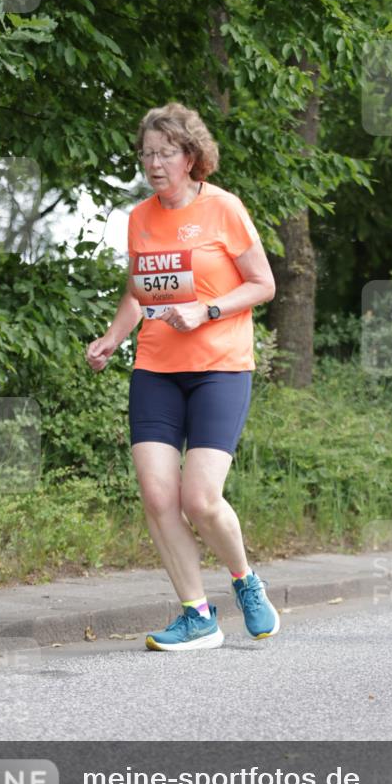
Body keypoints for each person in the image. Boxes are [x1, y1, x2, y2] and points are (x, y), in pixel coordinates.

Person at [85, 102, 280, 651]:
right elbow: (138, 289)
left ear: (190, 156)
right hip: (155, 368)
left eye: (165, 152)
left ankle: (244, 579)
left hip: (219, 368)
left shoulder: (224, 208)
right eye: (147, 153)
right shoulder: (141, 216)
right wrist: (112, 338)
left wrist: (208, 310)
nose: (154, 163)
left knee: (199, 497)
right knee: (156, 494)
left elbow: (263, 284)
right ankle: (197, 615)